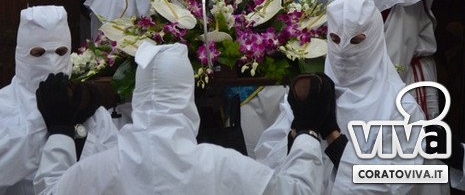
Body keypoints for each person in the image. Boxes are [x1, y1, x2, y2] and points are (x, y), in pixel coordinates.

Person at [33, 40, 330, 195]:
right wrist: (307, 132)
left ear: (138, 95)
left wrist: (59, 130)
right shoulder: (220, 165)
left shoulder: (98, 170)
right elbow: (299, 192)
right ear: (186, 95)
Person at [255, 0, 449, 194]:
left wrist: (334, 139)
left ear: (375, 38)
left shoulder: (402, 110)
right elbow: (267, 164)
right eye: (336, 39)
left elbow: (393, 184)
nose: (343, 50)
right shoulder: (310, 93)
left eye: (356, 41)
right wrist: (301, 129)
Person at [0, 5, 118, 195]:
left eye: (61, 51)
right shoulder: (4, 106)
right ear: (21, 53)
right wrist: (47, 122)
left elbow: (115, 169)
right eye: (38, 53)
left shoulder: (86, 104)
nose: (51, 62)